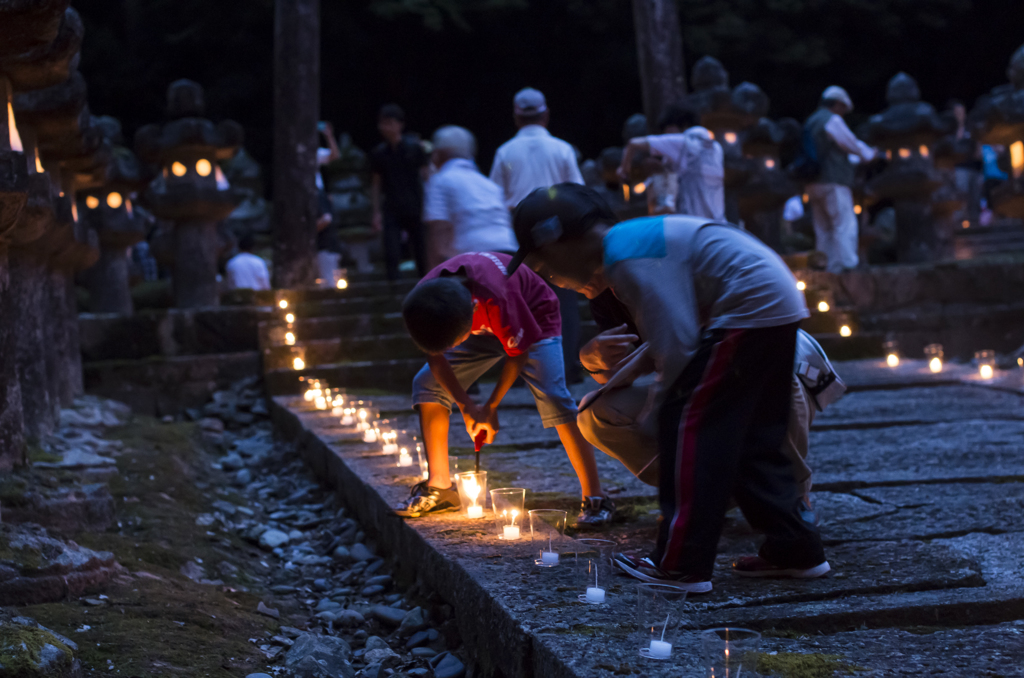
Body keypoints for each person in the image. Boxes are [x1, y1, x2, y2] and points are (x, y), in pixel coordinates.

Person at [507, 183, 828, 593]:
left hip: (745, 308)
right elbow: (667, 337)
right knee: (752, 440)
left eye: (546, 268)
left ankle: (680, 564)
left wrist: (664, 408)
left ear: (564, 242)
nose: (553, 280)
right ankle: (796, 548)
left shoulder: (623, 257)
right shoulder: (633, 241)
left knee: (692, 431)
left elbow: (676, 346)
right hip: (773, 304)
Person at [393, 252, 615, 527]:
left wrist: (491, 406)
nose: (451, 350)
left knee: (555, 396)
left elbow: (518, 353)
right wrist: (466, 406)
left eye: (454, 344)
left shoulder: (498, 294)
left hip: (533, 318)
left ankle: (596, 497)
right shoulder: (425, 303)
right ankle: (439, 487)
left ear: (473, 314)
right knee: (425, 383)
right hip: (481, 325)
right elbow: (436, 356)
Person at [489, 88, 586, 383]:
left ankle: (530, 371)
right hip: (561, 231)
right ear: (545, 114)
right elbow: (578, 192)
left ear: (517, 117)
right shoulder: (562, 148)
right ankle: (568, 366)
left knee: (526, 302)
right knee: (565, 299)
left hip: (522, 233)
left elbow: (497, 196)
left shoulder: (505, 152)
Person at [804, 86, 877, 273]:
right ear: (837, 104)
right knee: (844, 223)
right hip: (833, 180)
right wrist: (868, 154)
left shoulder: (811, 121)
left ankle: (827, 265)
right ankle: (848, 264)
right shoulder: (831, 120)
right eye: (843, 108)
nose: (843, 113)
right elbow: (850, 144)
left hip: (812, 181)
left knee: (823, 228)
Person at [422, 126, 518, 267]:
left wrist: (432, 274)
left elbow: (439, 228)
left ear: (440, 153)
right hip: (510, 252)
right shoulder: (489, 184)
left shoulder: (440, 180)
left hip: (475, 256)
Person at [618, 107, 725, 221]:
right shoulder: (716, 147)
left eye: (667, 130)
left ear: (679, 125)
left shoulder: (682, 142)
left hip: (694, 220)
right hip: (717, 219)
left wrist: (623, 169)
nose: (666, 134)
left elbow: (633, 144)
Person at [369, 104, 429, 280]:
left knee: (420, 248)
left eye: (389, 123)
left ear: (399, 124)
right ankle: (393, 286)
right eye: (382, 123)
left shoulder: (414, 148)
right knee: (391, 249)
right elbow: (375, 184)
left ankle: (425, 282)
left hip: (415, 204)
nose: (385, 127)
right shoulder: (379, 153)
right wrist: (376, 212)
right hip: (392, 206)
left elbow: (426, 176)